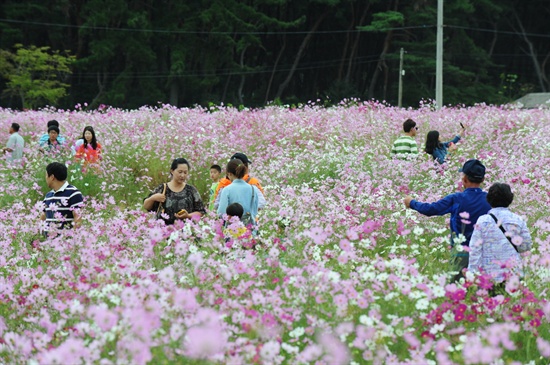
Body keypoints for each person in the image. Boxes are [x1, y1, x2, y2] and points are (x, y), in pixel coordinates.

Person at [404, 159, 492, 282]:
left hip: (461, 252)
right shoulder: (490, 199)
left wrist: (412, 203)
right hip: (484, 253)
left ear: (464, 179)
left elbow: (430, 209)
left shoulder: (457, 198)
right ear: (482, 179)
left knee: (457, 290)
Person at [468, 183, 532, 284]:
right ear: (510, 199)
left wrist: (472, 274)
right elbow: (526, 246)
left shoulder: (482, 221)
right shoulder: (518, 220)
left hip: (489, 275)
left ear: (489, 199)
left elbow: (475, 249)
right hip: (513, 273)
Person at [143, 158, 206, 225]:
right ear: (172, 171)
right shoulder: (162, 188)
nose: (182, 175)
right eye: (180, 172)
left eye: (185, 172)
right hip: (164, 231)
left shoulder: (191, 190)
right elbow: (146, 206)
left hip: (185, 232)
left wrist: (188, 216)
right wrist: (153, 198)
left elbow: (201, 212)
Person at [217, 159, 266, 229]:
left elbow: (221, 212)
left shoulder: (227, 190)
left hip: (232, 229)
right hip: (250, 228)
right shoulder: (253, 189)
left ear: (229, 174)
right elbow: (256, 209)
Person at [40, 162, 84, 235]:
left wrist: (71, 239)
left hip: (65, 242)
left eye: (46, 175)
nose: (46, 179)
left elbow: (78, 218)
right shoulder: (48, 195)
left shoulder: (73, 193)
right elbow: (43, 217)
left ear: (52, 177)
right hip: (48, 242)